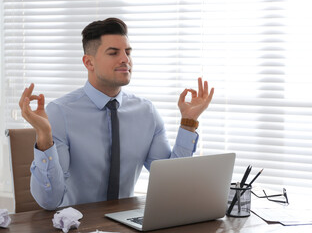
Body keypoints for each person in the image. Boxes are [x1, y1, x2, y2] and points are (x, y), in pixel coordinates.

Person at [19, 18, 214, 210]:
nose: (125, 59)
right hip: (77, 224)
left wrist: (189, 122)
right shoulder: (60, 113)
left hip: (125, 222)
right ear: (89, 63)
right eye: (113, 53)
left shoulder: (146, 112)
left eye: (128, 52)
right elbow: (49, 201)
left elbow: (172, 184)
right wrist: (44, 136)